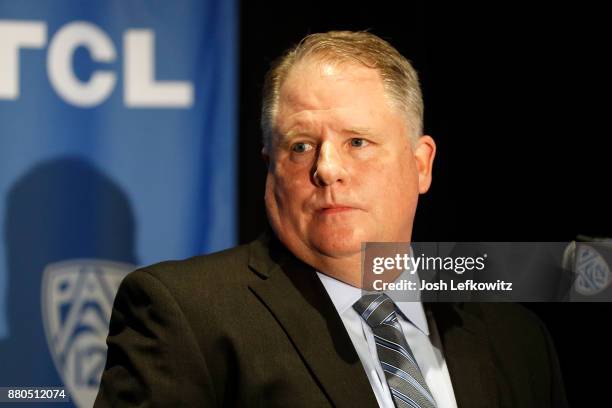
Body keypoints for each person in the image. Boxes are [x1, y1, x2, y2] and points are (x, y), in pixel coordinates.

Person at [94, 31, 568, 407]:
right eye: (300, 146)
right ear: (271, 168)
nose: (326, 168)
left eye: (357, 142)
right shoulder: (185, 315)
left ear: (421, 164)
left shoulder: (515, 338)